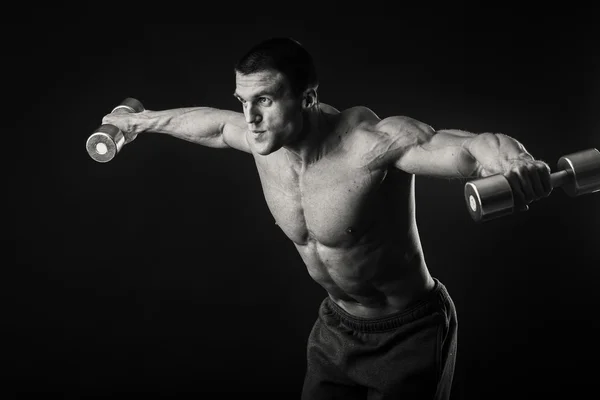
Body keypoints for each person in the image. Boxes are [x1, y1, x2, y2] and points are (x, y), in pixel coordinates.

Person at [101, 37, 552, 399]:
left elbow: (468, 150)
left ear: (308, 97)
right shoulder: (261, 137)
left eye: (264, 100)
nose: (250, 117)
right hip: (336, 327)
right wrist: (139, 122)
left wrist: (515, 160)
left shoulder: (370, 143)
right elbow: (213, 125)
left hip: (408, 332)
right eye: (242, 101)